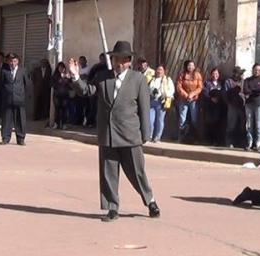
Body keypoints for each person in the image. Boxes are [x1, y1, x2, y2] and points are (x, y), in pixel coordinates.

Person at [69, 41, 161, 222]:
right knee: (108, 173)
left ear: (129, 61)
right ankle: (112, 207)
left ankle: (150, 200)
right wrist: (75, 77)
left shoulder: (138, 79)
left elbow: (144, 107)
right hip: (108, 133)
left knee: (137, 172)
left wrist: (145, 134)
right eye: (116, 59)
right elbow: (87, 91)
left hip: (130, 134)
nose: (119, 63)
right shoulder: (103, 77)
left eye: (123, 60)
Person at [0, 53, 30, 145]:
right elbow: (0, 84)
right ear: (8, 62)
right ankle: (5, 138)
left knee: (20, 119)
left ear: (18, 61)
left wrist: (23, 95)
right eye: (11, 61)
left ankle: (20, 138)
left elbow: (27, 84)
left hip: (19, 99)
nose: (12, 63)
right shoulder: (4, 71)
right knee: (6, 119)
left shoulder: (22, 70)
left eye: (14, 61)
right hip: (7, 99)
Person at [175, 60, 203, 143]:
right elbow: (179, 87)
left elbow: (200, 87)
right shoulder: (182, 75)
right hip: (184, 99)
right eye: (189, 65)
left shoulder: (197, 75)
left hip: (194, 99)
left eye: (192, 65)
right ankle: (181, 137)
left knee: (194, 119)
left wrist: (192, 94)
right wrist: (186, 95)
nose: (190, 67)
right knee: (182, 119)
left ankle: (195, 138)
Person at [148, 65, 174, 143]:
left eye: (161, 70)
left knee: (159, 120)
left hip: (161, 101)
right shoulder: (152, 79)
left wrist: (165, 94)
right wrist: (152, 92)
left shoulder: (167, 80)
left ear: (164, 71)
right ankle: (149, 135)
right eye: (158, 69)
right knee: (150, 119)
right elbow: (148, 88)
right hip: (152, 101)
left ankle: (157, 137)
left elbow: (171, 90)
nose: (159, 71)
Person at [243, 64, 260, 151]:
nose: (257, 71)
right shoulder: (247, 80)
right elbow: (245, 90)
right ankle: (249, 143)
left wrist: (251, 91)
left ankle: (258, 143)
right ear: (253, 70)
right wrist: (254, 90)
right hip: (249, 104)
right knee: (249, 124)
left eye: (259, 70)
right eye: (256, 69)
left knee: (258, 124)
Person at [201, 67, 225, 146]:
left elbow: (223, 93)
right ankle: (209, 140)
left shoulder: (221, 84)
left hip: (218, 107)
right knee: (210, 123)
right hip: (209, 106)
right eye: (214, 74)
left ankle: (217, 140)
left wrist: (219, 99)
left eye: (217, 74)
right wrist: (211, 99)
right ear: (211, 74)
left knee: (218, 124)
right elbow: (205, 93)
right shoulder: (207, 83)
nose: (215, 75)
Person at [225, 66, 246, 148]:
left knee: (243, 125)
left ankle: (242, 142)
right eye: (239, 73)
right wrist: (229, 103)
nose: (240, 75)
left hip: (242, 105)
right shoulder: (228, 82)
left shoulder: (244, 81)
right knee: (231, 125)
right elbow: (225, 94)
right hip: (232, 106)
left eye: (241, 73)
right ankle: (229, 142)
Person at [52, 62, 73, 130]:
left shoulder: (67, 75)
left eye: (63, 68)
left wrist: (68, 79)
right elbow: (52, 84)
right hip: (57, 95)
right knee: (57, 110)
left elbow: (71, 85)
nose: (61, 69)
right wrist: (59, 81)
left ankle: (64, 124)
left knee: (64, 109)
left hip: (65, 95)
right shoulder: (55, 76)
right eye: (60, 68)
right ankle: (56, 123)